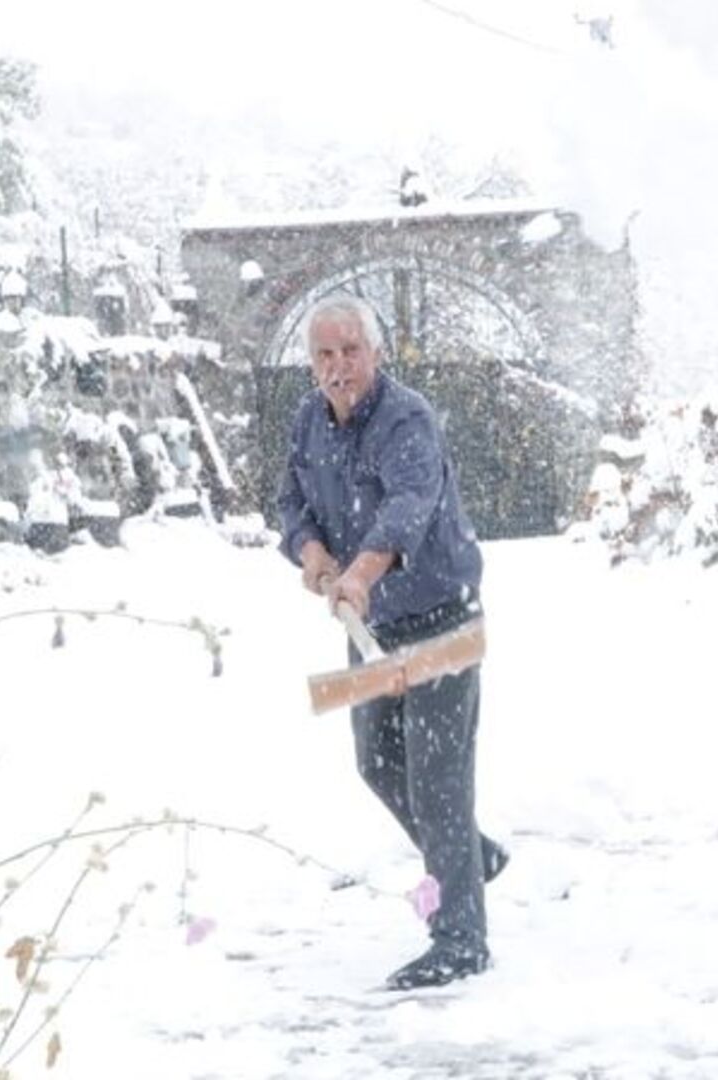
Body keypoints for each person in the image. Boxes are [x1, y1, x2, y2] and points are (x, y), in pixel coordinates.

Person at [277, 295, 504, 989]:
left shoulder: (407, 419)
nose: (339, 367)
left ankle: (461, 939)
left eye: (350, 351)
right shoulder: (308, 423)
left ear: (376, 353)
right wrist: (313, 553)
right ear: (311, 363)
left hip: (440, 620)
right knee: (377, 761)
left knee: (438, 780)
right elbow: (290, 504)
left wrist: (363, 572)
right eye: (325, 355)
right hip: (370, 626)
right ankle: (470, 856)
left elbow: (409, 508)